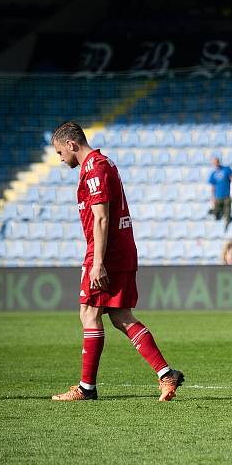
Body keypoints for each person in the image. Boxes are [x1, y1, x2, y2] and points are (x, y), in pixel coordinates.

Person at [49, 121, 184, 402]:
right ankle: (165, 374)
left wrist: (97, 261)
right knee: (121, 316)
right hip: (119, 249)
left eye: (61, 153)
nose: (61, 159)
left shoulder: (94, 168)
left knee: (89, 313)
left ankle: (86, 388)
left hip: (106, 253)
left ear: (71, 144)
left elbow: (101, 217)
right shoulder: (103, 163)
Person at [208, 157, 232, 229]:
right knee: (217, 213)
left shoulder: (226, 169)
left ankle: (227, 227)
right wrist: (212, 197)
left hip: (226, 195)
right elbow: (212, 187)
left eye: (216, 162)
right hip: (218, 197)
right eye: (214, 162)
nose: (215, 164)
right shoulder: (213, 174)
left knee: (227, 213)